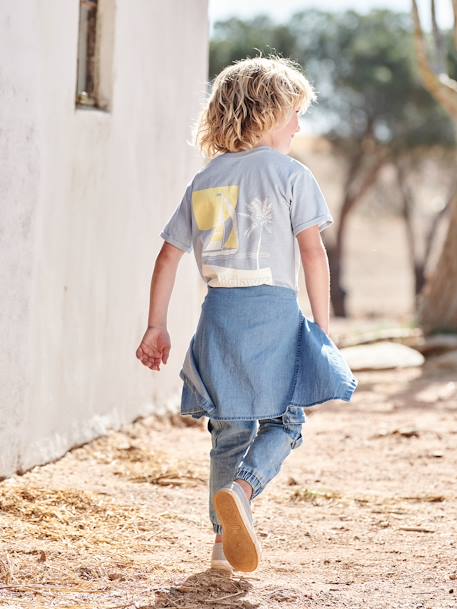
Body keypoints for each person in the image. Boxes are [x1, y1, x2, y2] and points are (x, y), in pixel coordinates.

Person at [135, 55, 359, 574]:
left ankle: (220, 546)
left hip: (218, 314)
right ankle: (244, 488)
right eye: (296, 114)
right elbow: (313, 253)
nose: (300, 125)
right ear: (270, 112)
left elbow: (169, 255)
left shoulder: (206, 179)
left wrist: (156, 324)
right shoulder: (290, 175)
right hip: (274, 310)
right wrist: (322, 330)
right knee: (287, 418)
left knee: (229, 430)